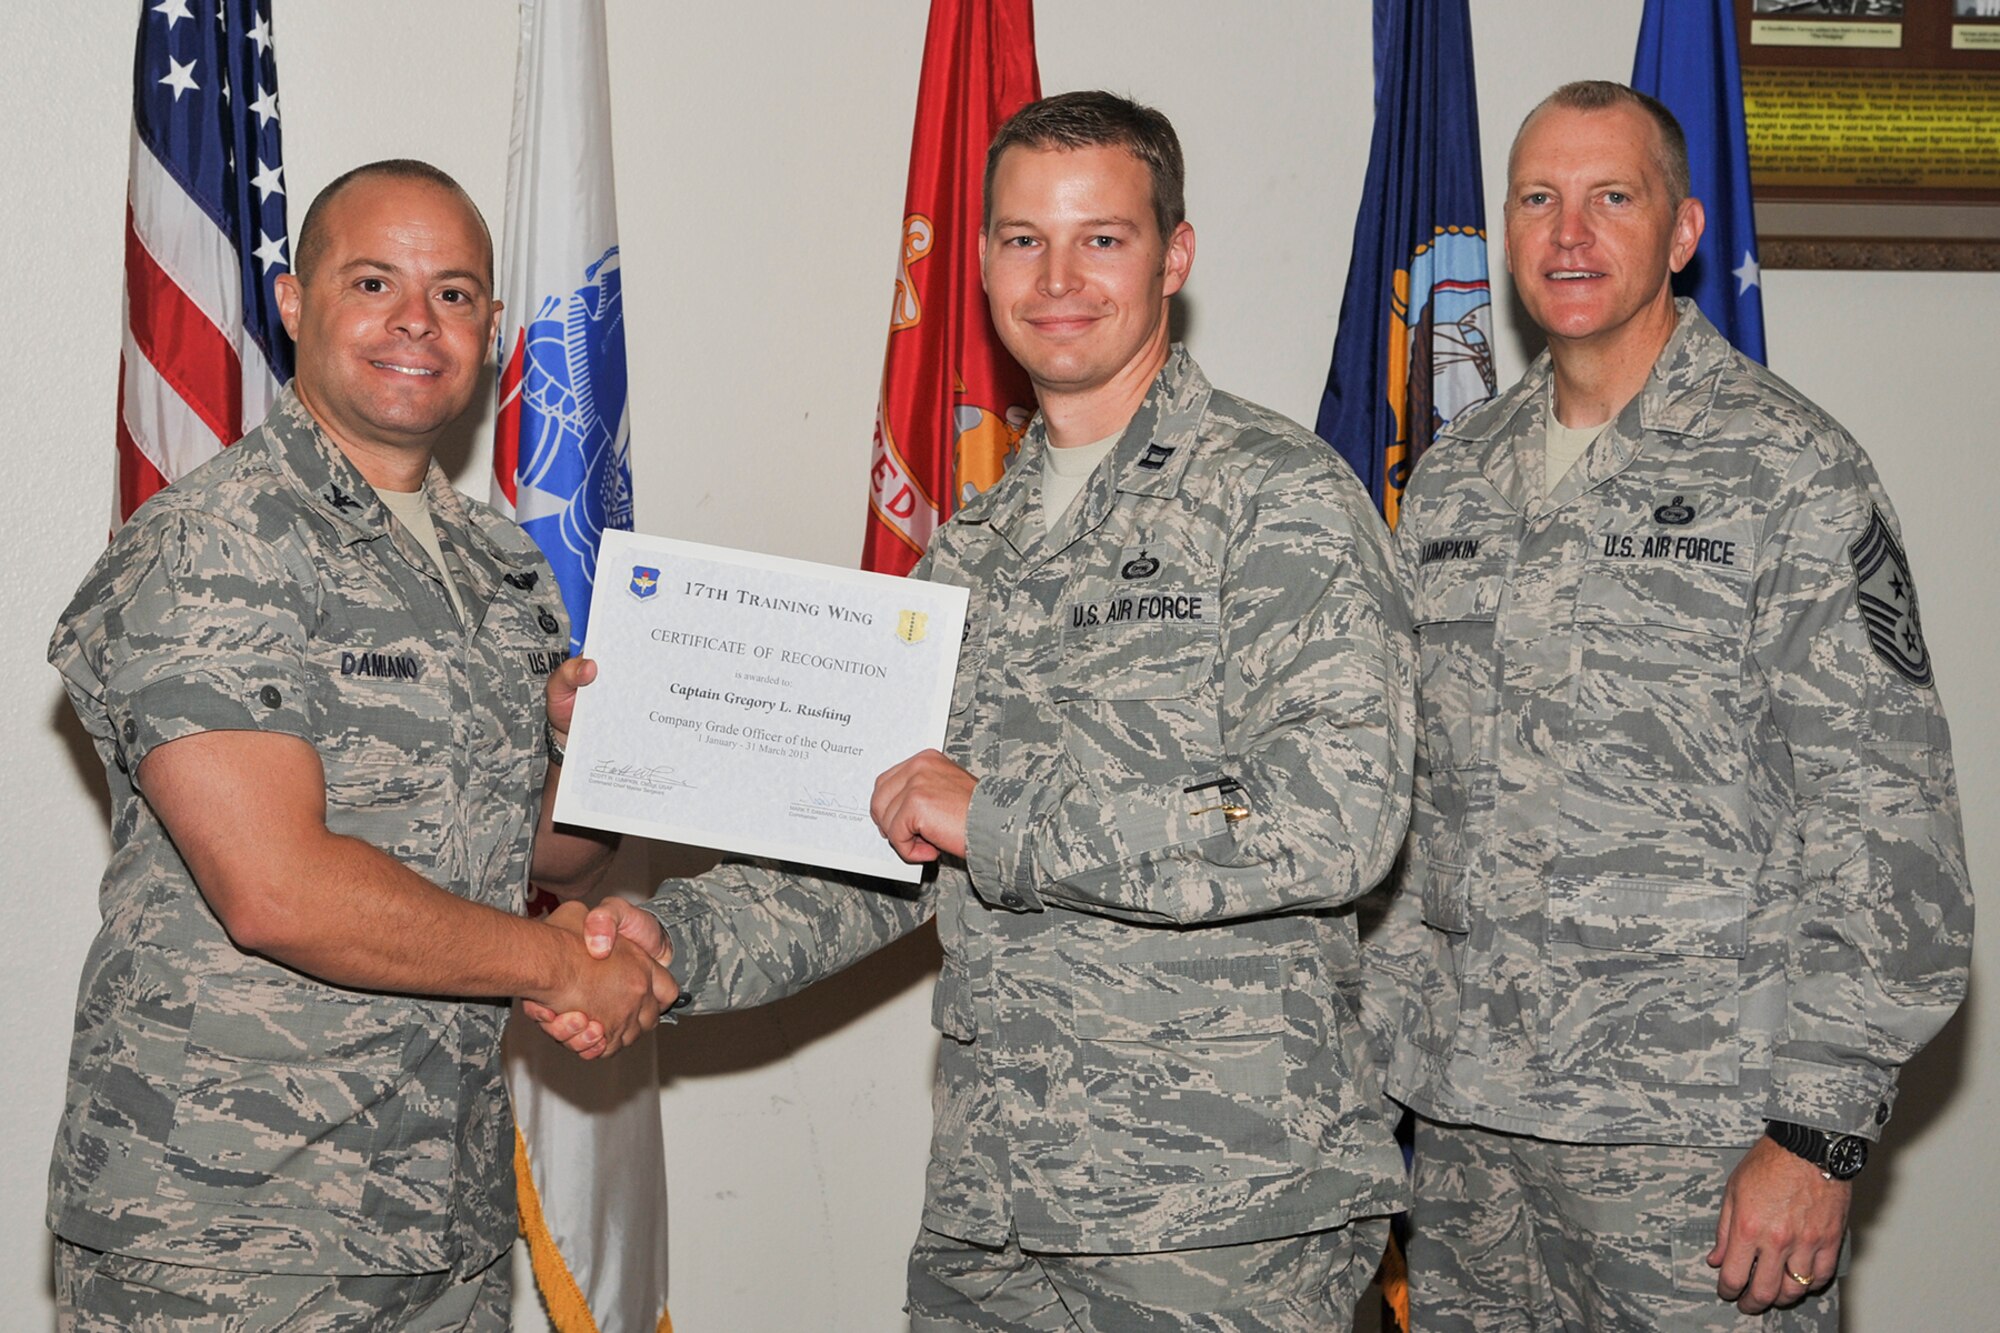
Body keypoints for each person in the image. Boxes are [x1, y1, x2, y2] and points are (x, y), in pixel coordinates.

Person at [539, 91, 1416, 1330]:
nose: (1056, 279)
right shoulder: (972, 548)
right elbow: (879, 852)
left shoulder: (1276, 498)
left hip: (1217, 1214)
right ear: (984, 264)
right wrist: (670, 944)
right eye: (1021, 240)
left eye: (1100, 238)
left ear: (1173, 256)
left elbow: (1331, 822)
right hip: (992, 1208)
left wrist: (995, 816)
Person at [1372, 82, 1973, 1330]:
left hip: (1698, 1140)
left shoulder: (1790, 471)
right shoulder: (1453, 481)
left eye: (1611, 197)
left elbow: (1887, 824)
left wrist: (1816, 1134)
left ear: (1682, 231)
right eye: (1536, 199)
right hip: (1470, 1135)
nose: (1568, 233)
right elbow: (1415, 810)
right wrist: (1372, 1071)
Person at [46, 160, 675, 1331]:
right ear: (295, 302)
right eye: (374, 281)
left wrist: (593, 753)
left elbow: (547, 855)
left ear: (492, 328)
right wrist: (559, 969)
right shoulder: (218, 541)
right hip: (231, 1231)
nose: (415, 321)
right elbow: (275, 890)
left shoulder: (501, 565)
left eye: (453, 293)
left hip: (442, 1207)